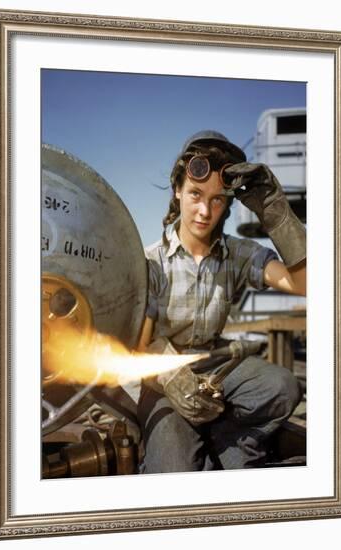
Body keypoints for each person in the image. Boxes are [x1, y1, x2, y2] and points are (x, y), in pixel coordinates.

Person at [136, 130, 306, 473]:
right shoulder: (150, 261)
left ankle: (228, 444)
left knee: (281, 387)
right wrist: (172, 379)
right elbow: (141, 347)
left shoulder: (239, 255)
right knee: (173, 469)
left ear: (227, 204)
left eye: (217, 200)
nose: (204, 211)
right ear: (178, 191)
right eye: (196, 194)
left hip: (215, 368)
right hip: (161, 377)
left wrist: (274, 209)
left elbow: (306, 283)